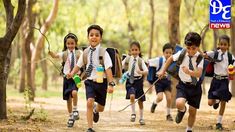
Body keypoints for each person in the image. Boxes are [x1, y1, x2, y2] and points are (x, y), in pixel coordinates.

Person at [67, 24, 115, 132]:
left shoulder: (104, 52)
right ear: (88, 37)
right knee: (89, 102)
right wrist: (71, 73)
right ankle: (90, 128)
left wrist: (111, 84)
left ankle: (96, 110)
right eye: (91, 35)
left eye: (97, 35)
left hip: (102, 82)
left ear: (100, 38)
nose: (94, 37)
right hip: (90, 82)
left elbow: (108, 69)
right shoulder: (85, 52)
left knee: (101, 107)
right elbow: (78, 65)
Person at [158, 32, 204, 132]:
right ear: (185, 45)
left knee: (192, 111)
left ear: (198, 47)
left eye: (194, 48)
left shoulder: (200, 57)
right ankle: (182, 111)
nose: (191, 51)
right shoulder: (182, 53)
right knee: (179, 103)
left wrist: (190, 72)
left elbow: (199, 74)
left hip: (195, 87)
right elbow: (170, 59)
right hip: (183, 85)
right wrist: (163, 71)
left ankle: (189, 129)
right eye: (189, 48)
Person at [48, 33, 81, 127]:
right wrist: (51, 53)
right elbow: (55, 56)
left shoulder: (79, 53)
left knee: (74, 93)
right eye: (68, 44)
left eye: (72, 43)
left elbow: (84, 59)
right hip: (66, 78)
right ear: (66, 44)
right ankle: (71, 117)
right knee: (68, 99)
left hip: (76, 77)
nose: (70, 45)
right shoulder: (64, 54)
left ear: (75, 43)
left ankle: (75, 110)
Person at [205, 35, 235, 130]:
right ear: (218, 44)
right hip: (215, 80)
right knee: (210, 103)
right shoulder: (214, 54)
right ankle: (216, 100)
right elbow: (204, 54)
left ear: (228, 45)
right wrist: (204, 55)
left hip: (224, 81)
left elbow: (233, 67)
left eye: (225, 44)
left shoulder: (230, 56)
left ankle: (219, 122)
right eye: (221, 44)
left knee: (223, 101)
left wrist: (232, 71)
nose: (222, 46)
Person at [122, 41, 148, 125]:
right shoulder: (127, 59)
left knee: (140, 101)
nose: (134, 51)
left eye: (136, 50)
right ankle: (133, 113)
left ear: (139, 51)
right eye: (132, 50)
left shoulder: (140, 61)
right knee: (132, 95)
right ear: (130, 51)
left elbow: (146, 71)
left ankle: (141, 118)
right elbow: (120, 66)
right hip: (130, 81)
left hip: (139, 81)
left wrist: (141, 72)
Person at [149, 43, 174, 121]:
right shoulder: (159, 60)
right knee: (160, 98)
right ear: (163, 53)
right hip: (158, 81)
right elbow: (149, 62)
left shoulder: (173, 61)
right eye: (166, 53)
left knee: (169, 98)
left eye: (170, 53)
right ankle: (154, 103)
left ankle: (168, 114)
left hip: (167, 81)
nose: (168, 54)